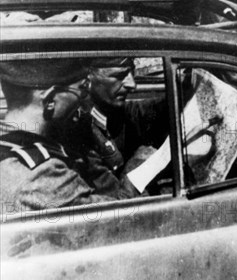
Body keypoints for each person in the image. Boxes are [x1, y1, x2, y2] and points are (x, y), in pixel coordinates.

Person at [0, 59, 142, 215]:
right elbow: (121, 220)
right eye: (82, 88)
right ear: (50, 101)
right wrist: (137, 175)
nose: (84, 97)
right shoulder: (42, 176)